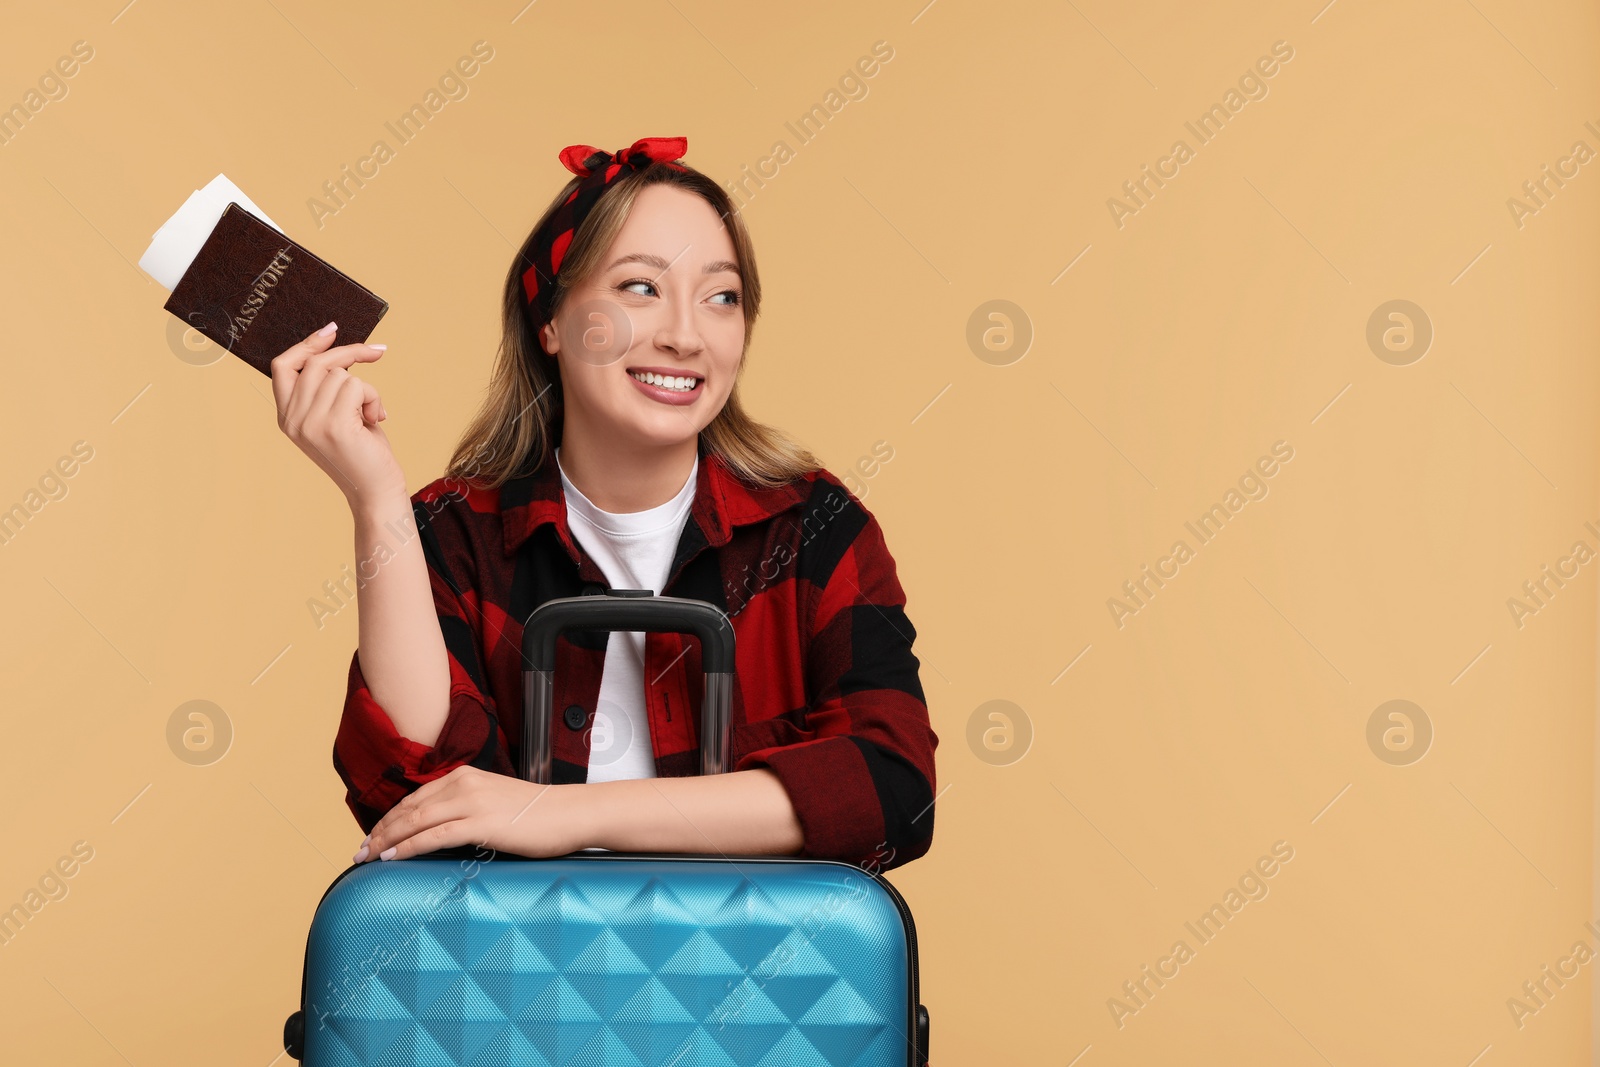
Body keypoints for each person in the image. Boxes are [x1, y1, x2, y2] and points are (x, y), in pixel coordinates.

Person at [270, 135, 937, 874]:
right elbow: (420, 802)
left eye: (722, 297)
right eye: (641, 289)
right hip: (511, 982)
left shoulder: (815, 529)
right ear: (550, 321)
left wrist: (559, 814)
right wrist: (376, 499)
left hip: (754, 979)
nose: (685, 336)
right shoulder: (453, 533)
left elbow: (892, 790)